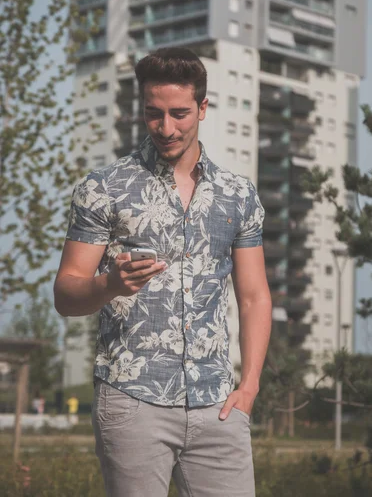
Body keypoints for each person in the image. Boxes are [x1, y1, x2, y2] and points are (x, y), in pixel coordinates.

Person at [54, 47, 272, 497]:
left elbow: (254, 298)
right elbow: (66, 292)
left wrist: (248, 387)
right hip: (133, 401)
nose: (166, 128)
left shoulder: (239, 195)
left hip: (219, 405)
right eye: (154, 114)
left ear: (203, 108)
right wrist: (109, 284)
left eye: (179, 114)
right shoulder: (104, 189)